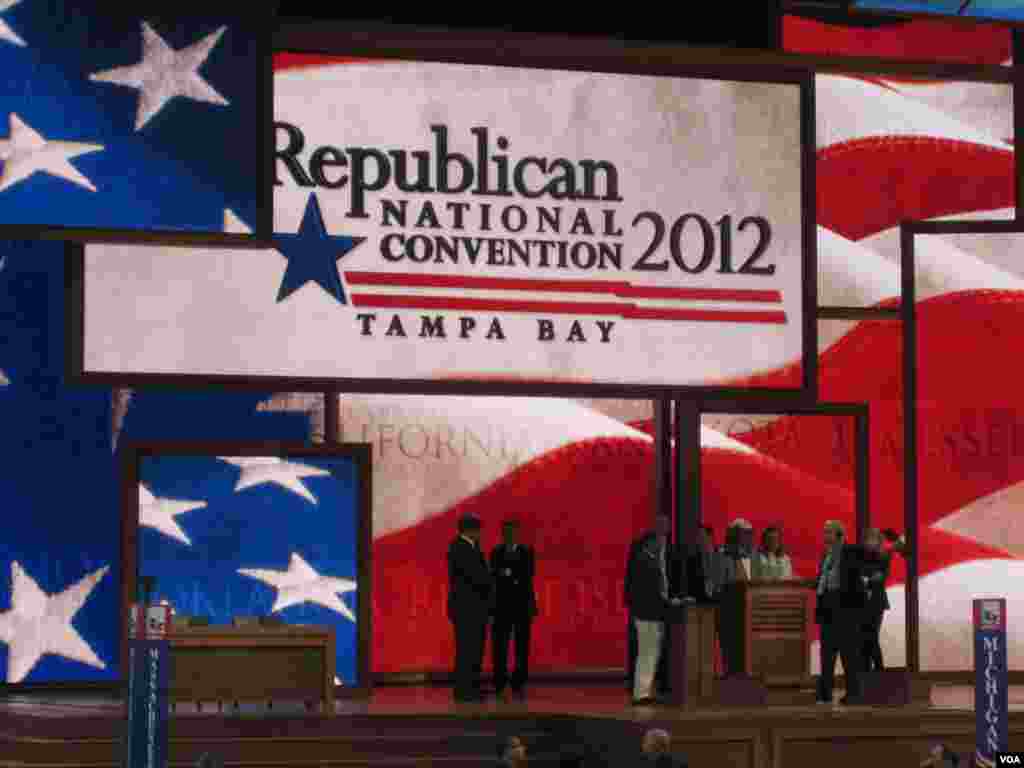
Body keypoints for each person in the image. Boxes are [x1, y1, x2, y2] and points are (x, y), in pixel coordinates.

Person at [625, 516, 685, 705]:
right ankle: (641, 693)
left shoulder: (656, 558)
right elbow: (646, 589)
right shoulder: (645, 558)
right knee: (647, 652)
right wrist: (667, 602)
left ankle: (645, 691)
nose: (659, 546)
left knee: (652, 652)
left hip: (655, 612)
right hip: (646, 612)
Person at [813, 520, 867, 705]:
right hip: (827, 605)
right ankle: (825, 693)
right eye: (824, 531)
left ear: (839, 535)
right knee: (826, 653)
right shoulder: (826, 555)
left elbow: (857, 579)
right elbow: (823, 579)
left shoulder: (849, 552)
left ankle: (853, 693)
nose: (825, 535)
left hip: (846, 609)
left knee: (848, 654)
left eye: (829, 532)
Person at [490, 519, 538, 700]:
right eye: (506, 532)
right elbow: (494, 573)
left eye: (512, 532)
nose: (509, 535)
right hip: (501, 606)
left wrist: (507, 573)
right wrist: (511, 573)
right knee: (500, 647)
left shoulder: (527, 552)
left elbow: (527, 574)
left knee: (521, 646)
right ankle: (499, 683)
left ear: (517, 533)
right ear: (503, 534)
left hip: (522, 606)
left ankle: (519, 682)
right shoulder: (496, 552)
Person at [447, 513, 492, 702]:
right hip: (466, 608)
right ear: (470, 530)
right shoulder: (458, 547)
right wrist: (491, 578)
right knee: (467, 649)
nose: (481, 533)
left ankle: (472, 686)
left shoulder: (473, 547)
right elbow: (475, 576)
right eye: (478, 530)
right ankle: (464, 689)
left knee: (475, 649)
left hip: (476, 607)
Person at [861, 527, 906, 672]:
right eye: (867, 538)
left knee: (871, 637)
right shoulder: (865, 556)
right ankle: (868, 672)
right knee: (866, 638)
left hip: (876, 601)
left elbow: (878, 577)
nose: (868, 541)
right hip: (864, 601)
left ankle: (879, 671)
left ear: (878, 541)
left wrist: (865, 579)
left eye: (872, 538)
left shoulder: (883, 555)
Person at [717, 518, 755, 675]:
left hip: (750, 607)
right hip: (729, 608)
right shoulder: (722, 554)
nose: (746, 537)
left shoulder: (753, 555)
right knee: (730, 648)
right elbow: (719, 582)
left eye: (748, 534)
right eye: (742, 534)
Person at [686, 525, 722, 603]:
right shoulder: (692, 561)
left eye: (702, 536)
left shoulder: (722, 558)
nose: (699, 540)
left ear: (710, 537)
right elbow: (690, 588)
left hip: (720, 602)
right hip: (700, 604)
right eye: (698, 537)